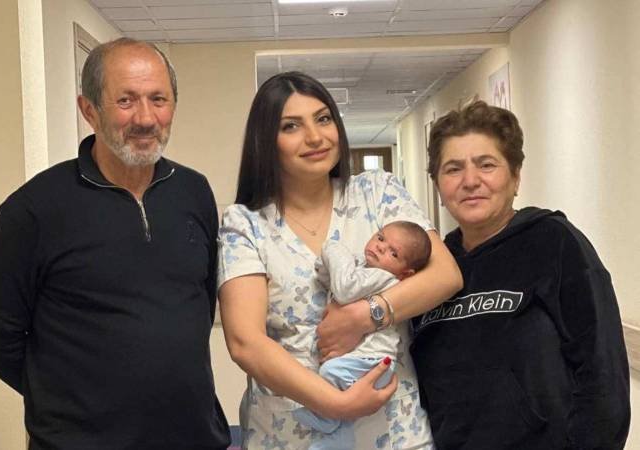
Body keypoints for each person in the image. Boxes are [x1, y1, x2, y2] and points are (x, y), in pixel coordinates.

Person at [0, 38, 230, 449]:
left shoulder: (193, 192)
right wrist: (69, 404)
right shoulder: (35, 210)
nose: (145, 118)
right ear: (88, 109)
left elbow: (200, 307)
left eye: (158, 99)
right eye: (125, 100)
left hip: (193, 438)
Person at [217, 71, 462, 449]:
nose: (315, 137)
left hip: (391, 430)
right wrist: (335, 404)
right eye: (291, 126)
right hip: (290, 433)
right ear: (265, 141)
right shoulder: (246, 223)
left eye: (323, 118)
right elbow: (245, 342)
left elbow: (445, 275)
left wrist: (367, 314)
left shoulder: (377, 192)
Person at [410, 100, 630, 449]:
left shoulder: (555, 243)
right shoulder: (434, 266)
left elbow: (603, 375)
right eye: (453, 169)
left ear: (515, 176)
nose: (470, 181)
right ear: (437, 185)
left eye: (486, 165)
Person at [294, 221, 432, 450]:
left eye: (393, 253)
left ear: (405, 273)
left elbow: (345, 289)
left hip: (372, 362)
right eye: (381, 237)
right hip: (361, 361)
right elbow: (329, 279)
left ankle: (327, 420)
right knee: (341, 403)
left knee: (330, 375)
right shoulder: (362, 269)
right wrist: (328, 265)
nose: (380, 247)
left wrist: (332, 248)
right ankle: (335, 440)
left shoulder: (385, 277)